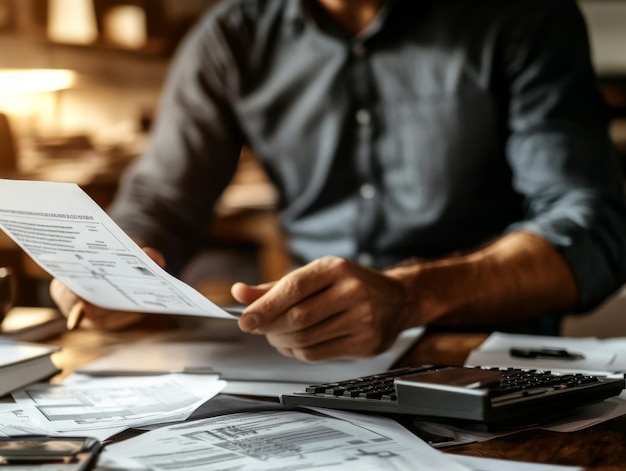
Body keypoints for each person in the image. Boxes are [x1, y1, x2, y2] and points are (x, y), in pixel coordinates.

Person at [51, 0, 626, 362]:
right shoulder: (232, 34)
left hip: (487, 353)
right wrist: (106, 266)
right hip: (306, 358)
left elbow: (594, 226)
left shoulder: (528, 18)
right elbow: (161, 200)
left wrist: (410, 296)